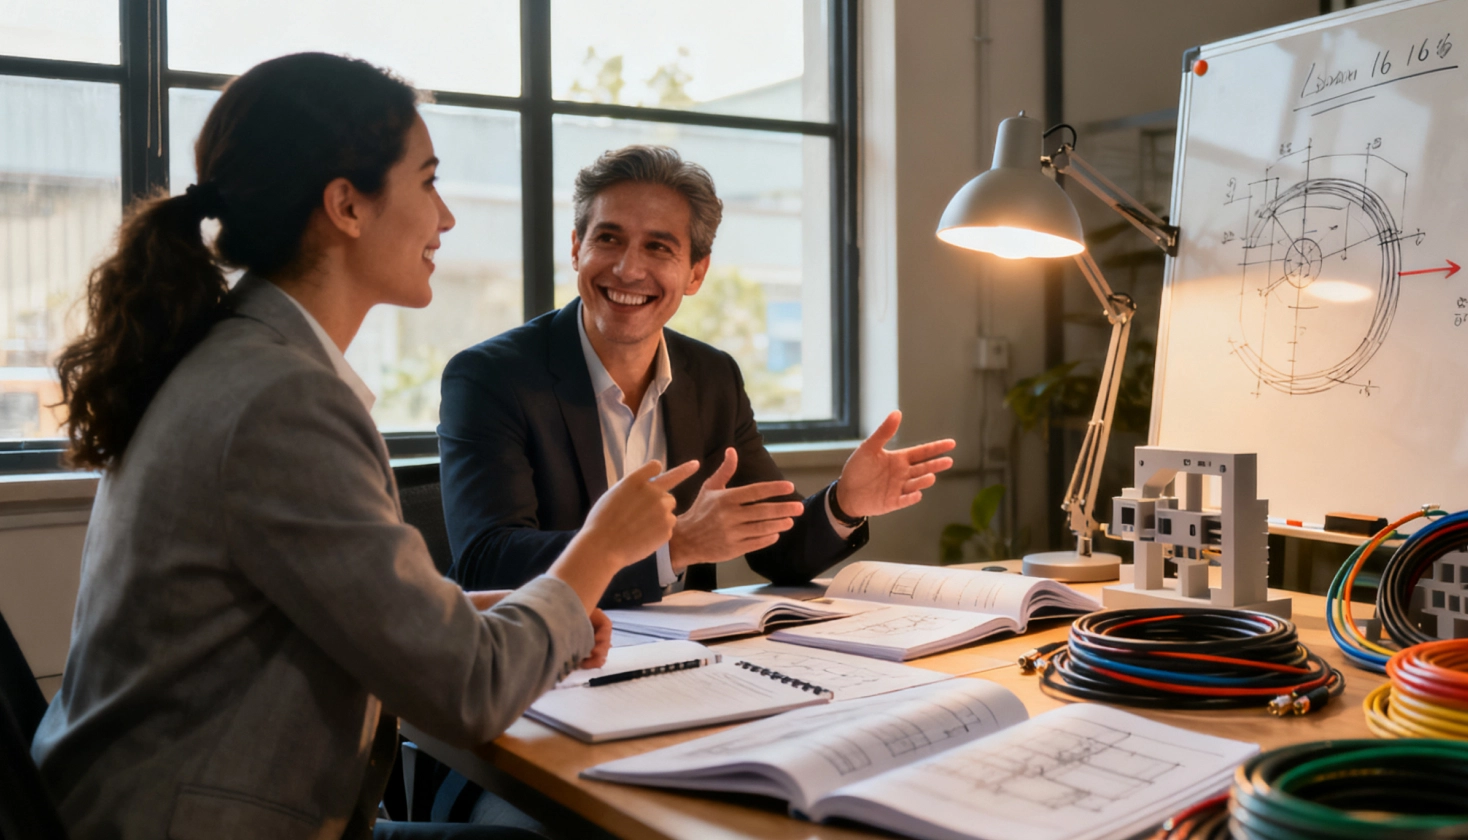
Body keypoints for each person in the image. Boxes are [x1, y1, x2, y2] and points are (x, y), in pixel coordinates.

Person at [31, 53, 696, 840]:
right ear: (346, 206)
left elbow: (361, 614)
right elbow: (469, 691)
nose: (445, 218)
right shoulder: (282, 399)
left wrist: (522, 609)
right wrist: (599, 548)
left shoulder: (247, 360)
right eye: (427, 180)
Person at [439, 145, 956, 607]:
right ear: (577, 248)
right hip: (546, 663)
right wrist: (678, 545)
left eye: (659, 247)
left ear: (696, 272)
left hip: (688, 665)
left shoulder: (712, 377)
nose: (627, 269)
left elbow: (776, 547)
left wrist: (844, 502)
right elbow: (488, 561)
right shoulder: (490, 378)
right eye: (609, 238)